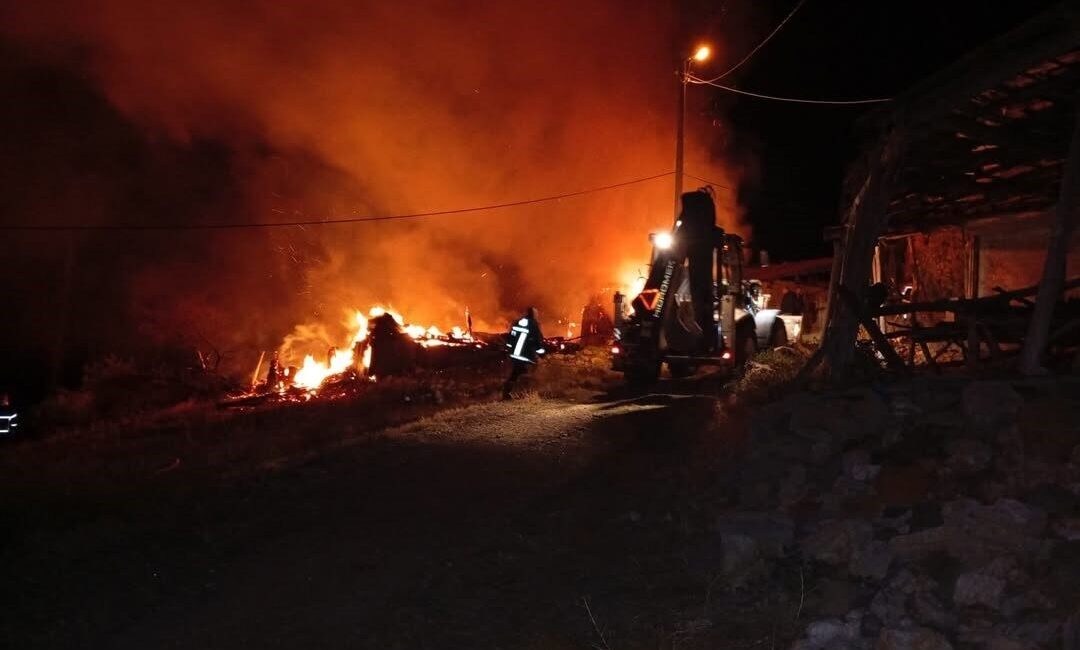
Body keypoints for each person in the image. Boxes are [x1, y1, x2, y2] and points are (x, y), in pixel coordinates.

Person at [502, 307, 545, 399]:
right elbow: (538, 340)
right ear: (533, 314)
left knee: (516, 373)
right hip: (525, 355)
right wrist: (542, 353)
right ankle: (524, 393)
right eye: (536, 314)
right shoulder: (534, 324)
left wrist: (509, 350)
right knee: (528, 373)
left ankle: (508, 392)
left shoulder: (518, 322)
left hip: (514, 354)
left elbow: (510, 337)